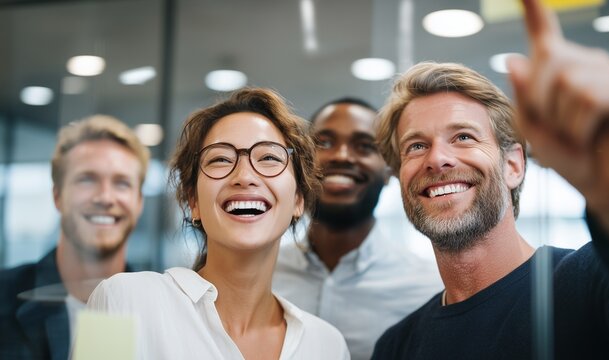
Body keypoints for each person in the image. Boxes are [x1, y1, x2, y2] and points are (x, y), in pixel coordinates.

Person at [372, 0, 609, 358]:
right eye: (417, 145)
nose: (437, 159)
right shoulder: (397, 346)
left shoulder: (591, 280)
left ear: (514, 165)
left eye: (463, 137)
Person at [86, 88, 349, 359]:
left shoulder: (328, 345)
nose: (244, 176)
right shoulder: (119, 300)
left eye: (269, 158)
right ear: (194, 202)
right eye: (220, 159)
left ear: (298, 200)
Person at [272, 97, 442, 359]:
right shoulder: (262, 276)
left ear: (389, 171)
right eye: (324, 143)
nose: (341, 156)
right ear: (302, 164)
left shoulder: (429, 288)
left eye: (364, 146)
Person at [0, 115, 149, 360]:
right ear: (57, 196)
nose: (105, 197)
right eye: (87, 179)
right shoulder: (4, 295)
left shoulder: (163, 308)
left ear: (139, 202)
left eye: (122, 183)